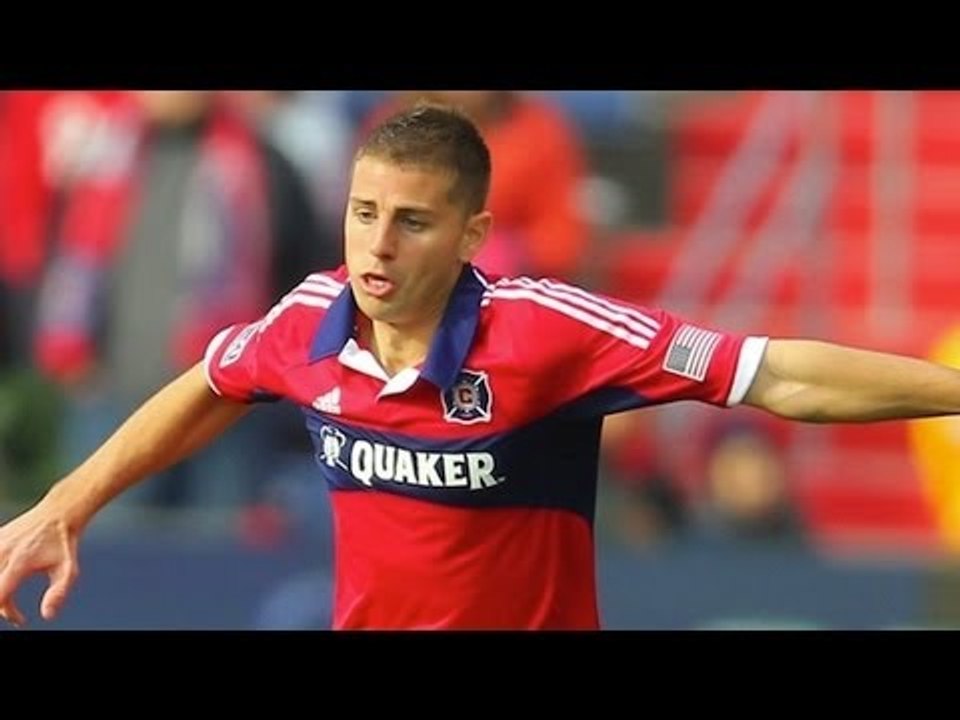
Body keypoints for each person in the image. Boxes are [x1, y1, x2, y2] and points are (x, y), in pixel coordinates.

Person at [2, 103, 960, 630]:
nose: (376, 247)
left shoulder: (548, 332)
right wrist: (66, 505)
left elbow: (773, 373)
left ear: (473, 234)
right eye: (364, 214)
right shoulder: (309, 319)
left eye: (412, 222)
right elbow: (214, 381)